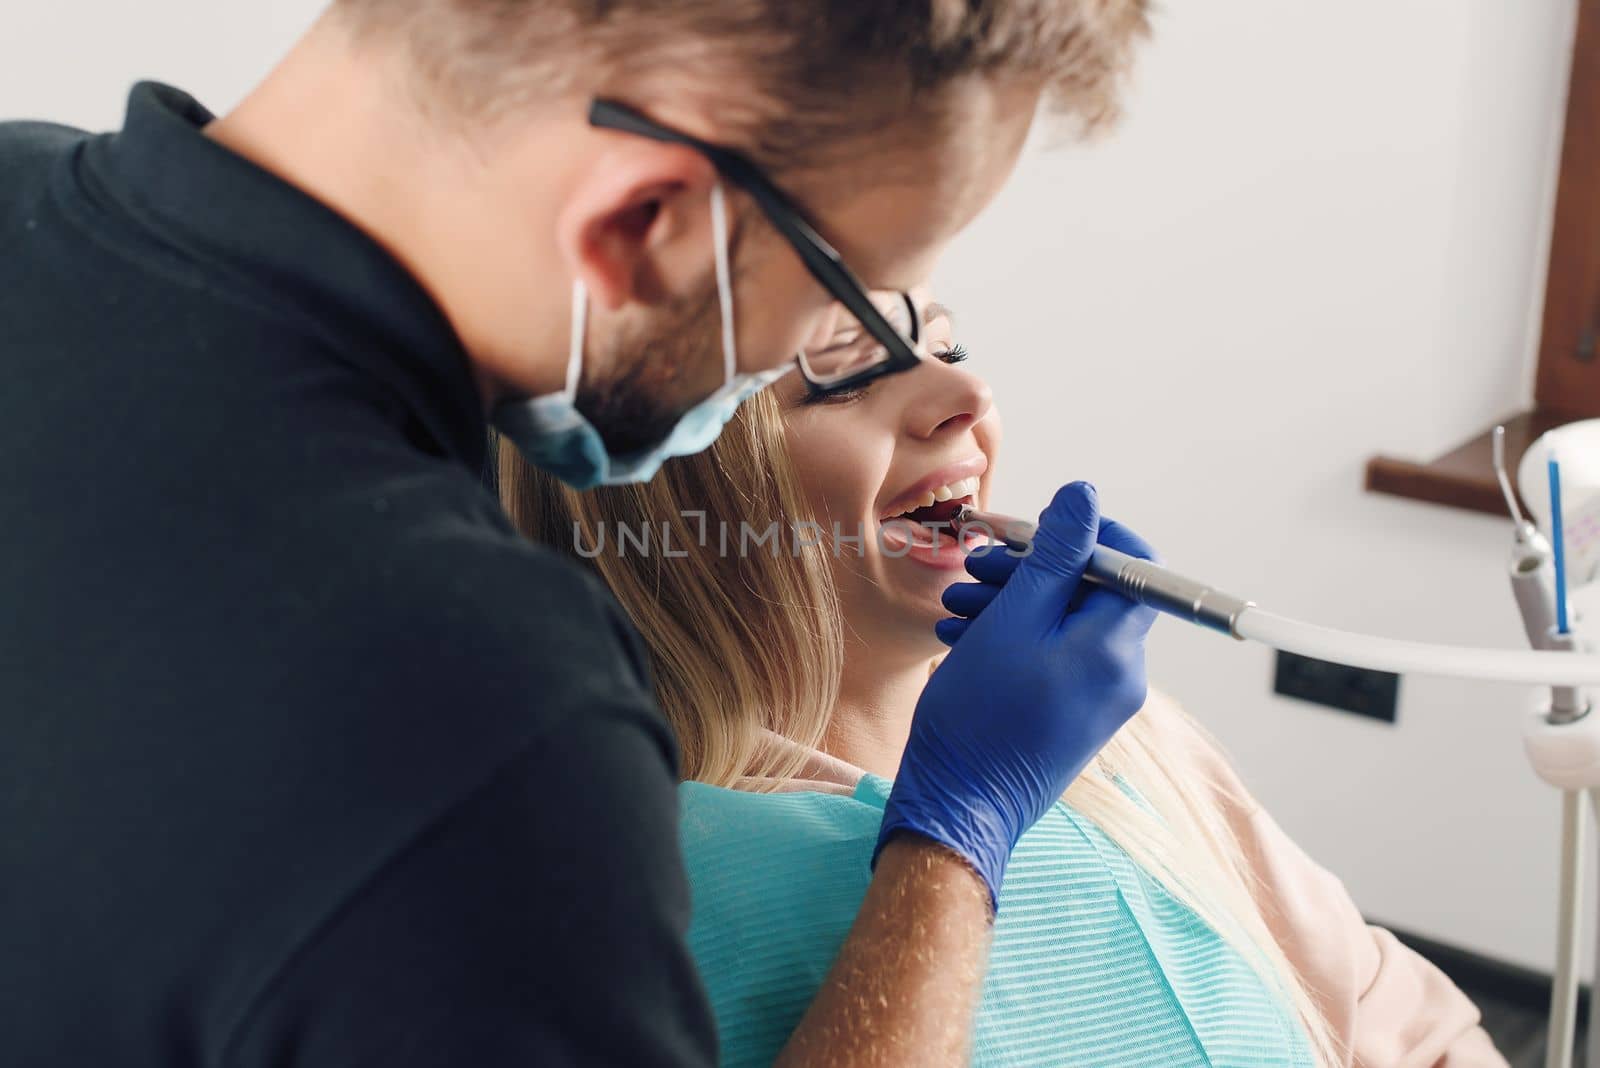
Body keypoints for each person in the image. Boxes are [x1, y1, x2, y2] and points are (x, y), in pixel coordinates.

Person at [0, 3, 1172, 1066]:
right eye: (848, 323)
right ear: (643, 218)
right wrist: (950, 845)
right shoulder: (495, 721)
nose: (944, 389)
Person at [501, 297, 1508, 1067]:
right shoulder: (605, 884)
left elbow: (1401, 1021)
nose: (966, 399)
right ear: (669, 501)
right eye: (847, 377)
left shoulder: (1114, 740)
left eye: (945, 348)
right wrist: (960, 824)